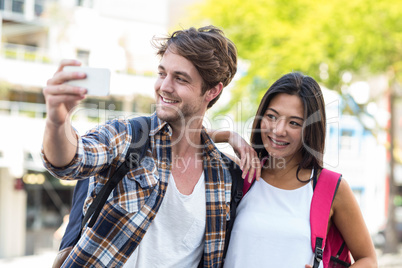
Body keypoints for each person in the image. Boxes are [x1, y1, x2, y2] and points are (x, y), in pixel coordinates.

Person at [41, 25, 258, 268]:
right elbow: (70, 162)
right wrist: (57, 121)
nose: (164, 86)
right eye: (162, 73)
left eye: (180, 78)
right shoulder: (127, 137)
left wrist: (227, 135)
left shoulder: (225, 176)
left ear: (212, 90)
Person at [223, 72, 378, 267]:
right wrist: (230, 135)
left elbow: (368, 259)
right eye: (271, 116)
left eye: (294, 123)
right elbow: (185, 142)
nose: (279, 130)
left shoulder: (330, 188)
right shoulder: (242, 172)